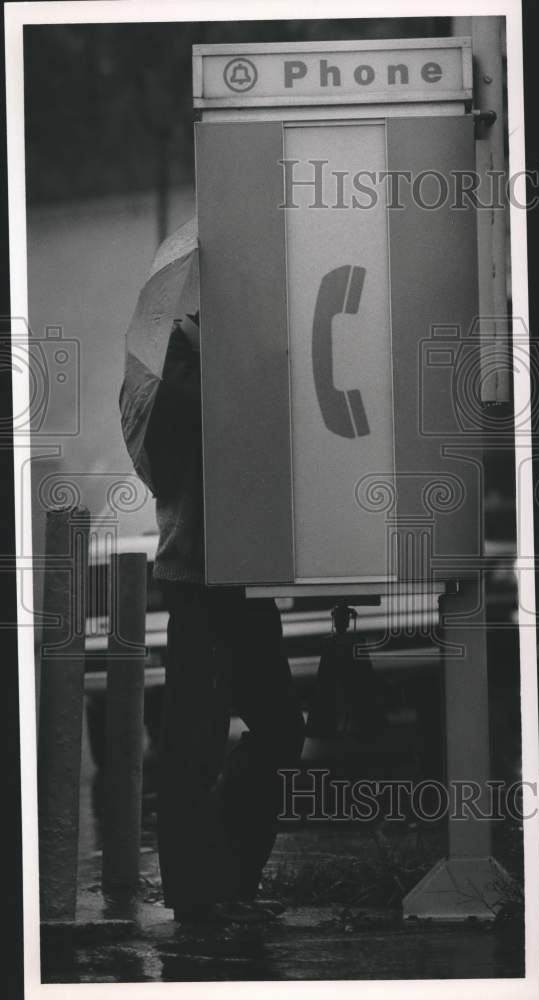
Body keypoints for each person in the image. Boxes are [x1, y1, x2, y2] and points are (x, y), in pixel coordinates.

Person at [143, 311, 306, 925]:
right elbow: (194, 417)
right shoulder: (179, 350)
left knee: (280, 727)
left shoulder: (239, 336)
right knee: (195, 737)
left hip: (245, 568)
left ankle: (231, 877)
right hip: (199, 570)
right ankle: (197, 893)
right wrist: (232, 362)